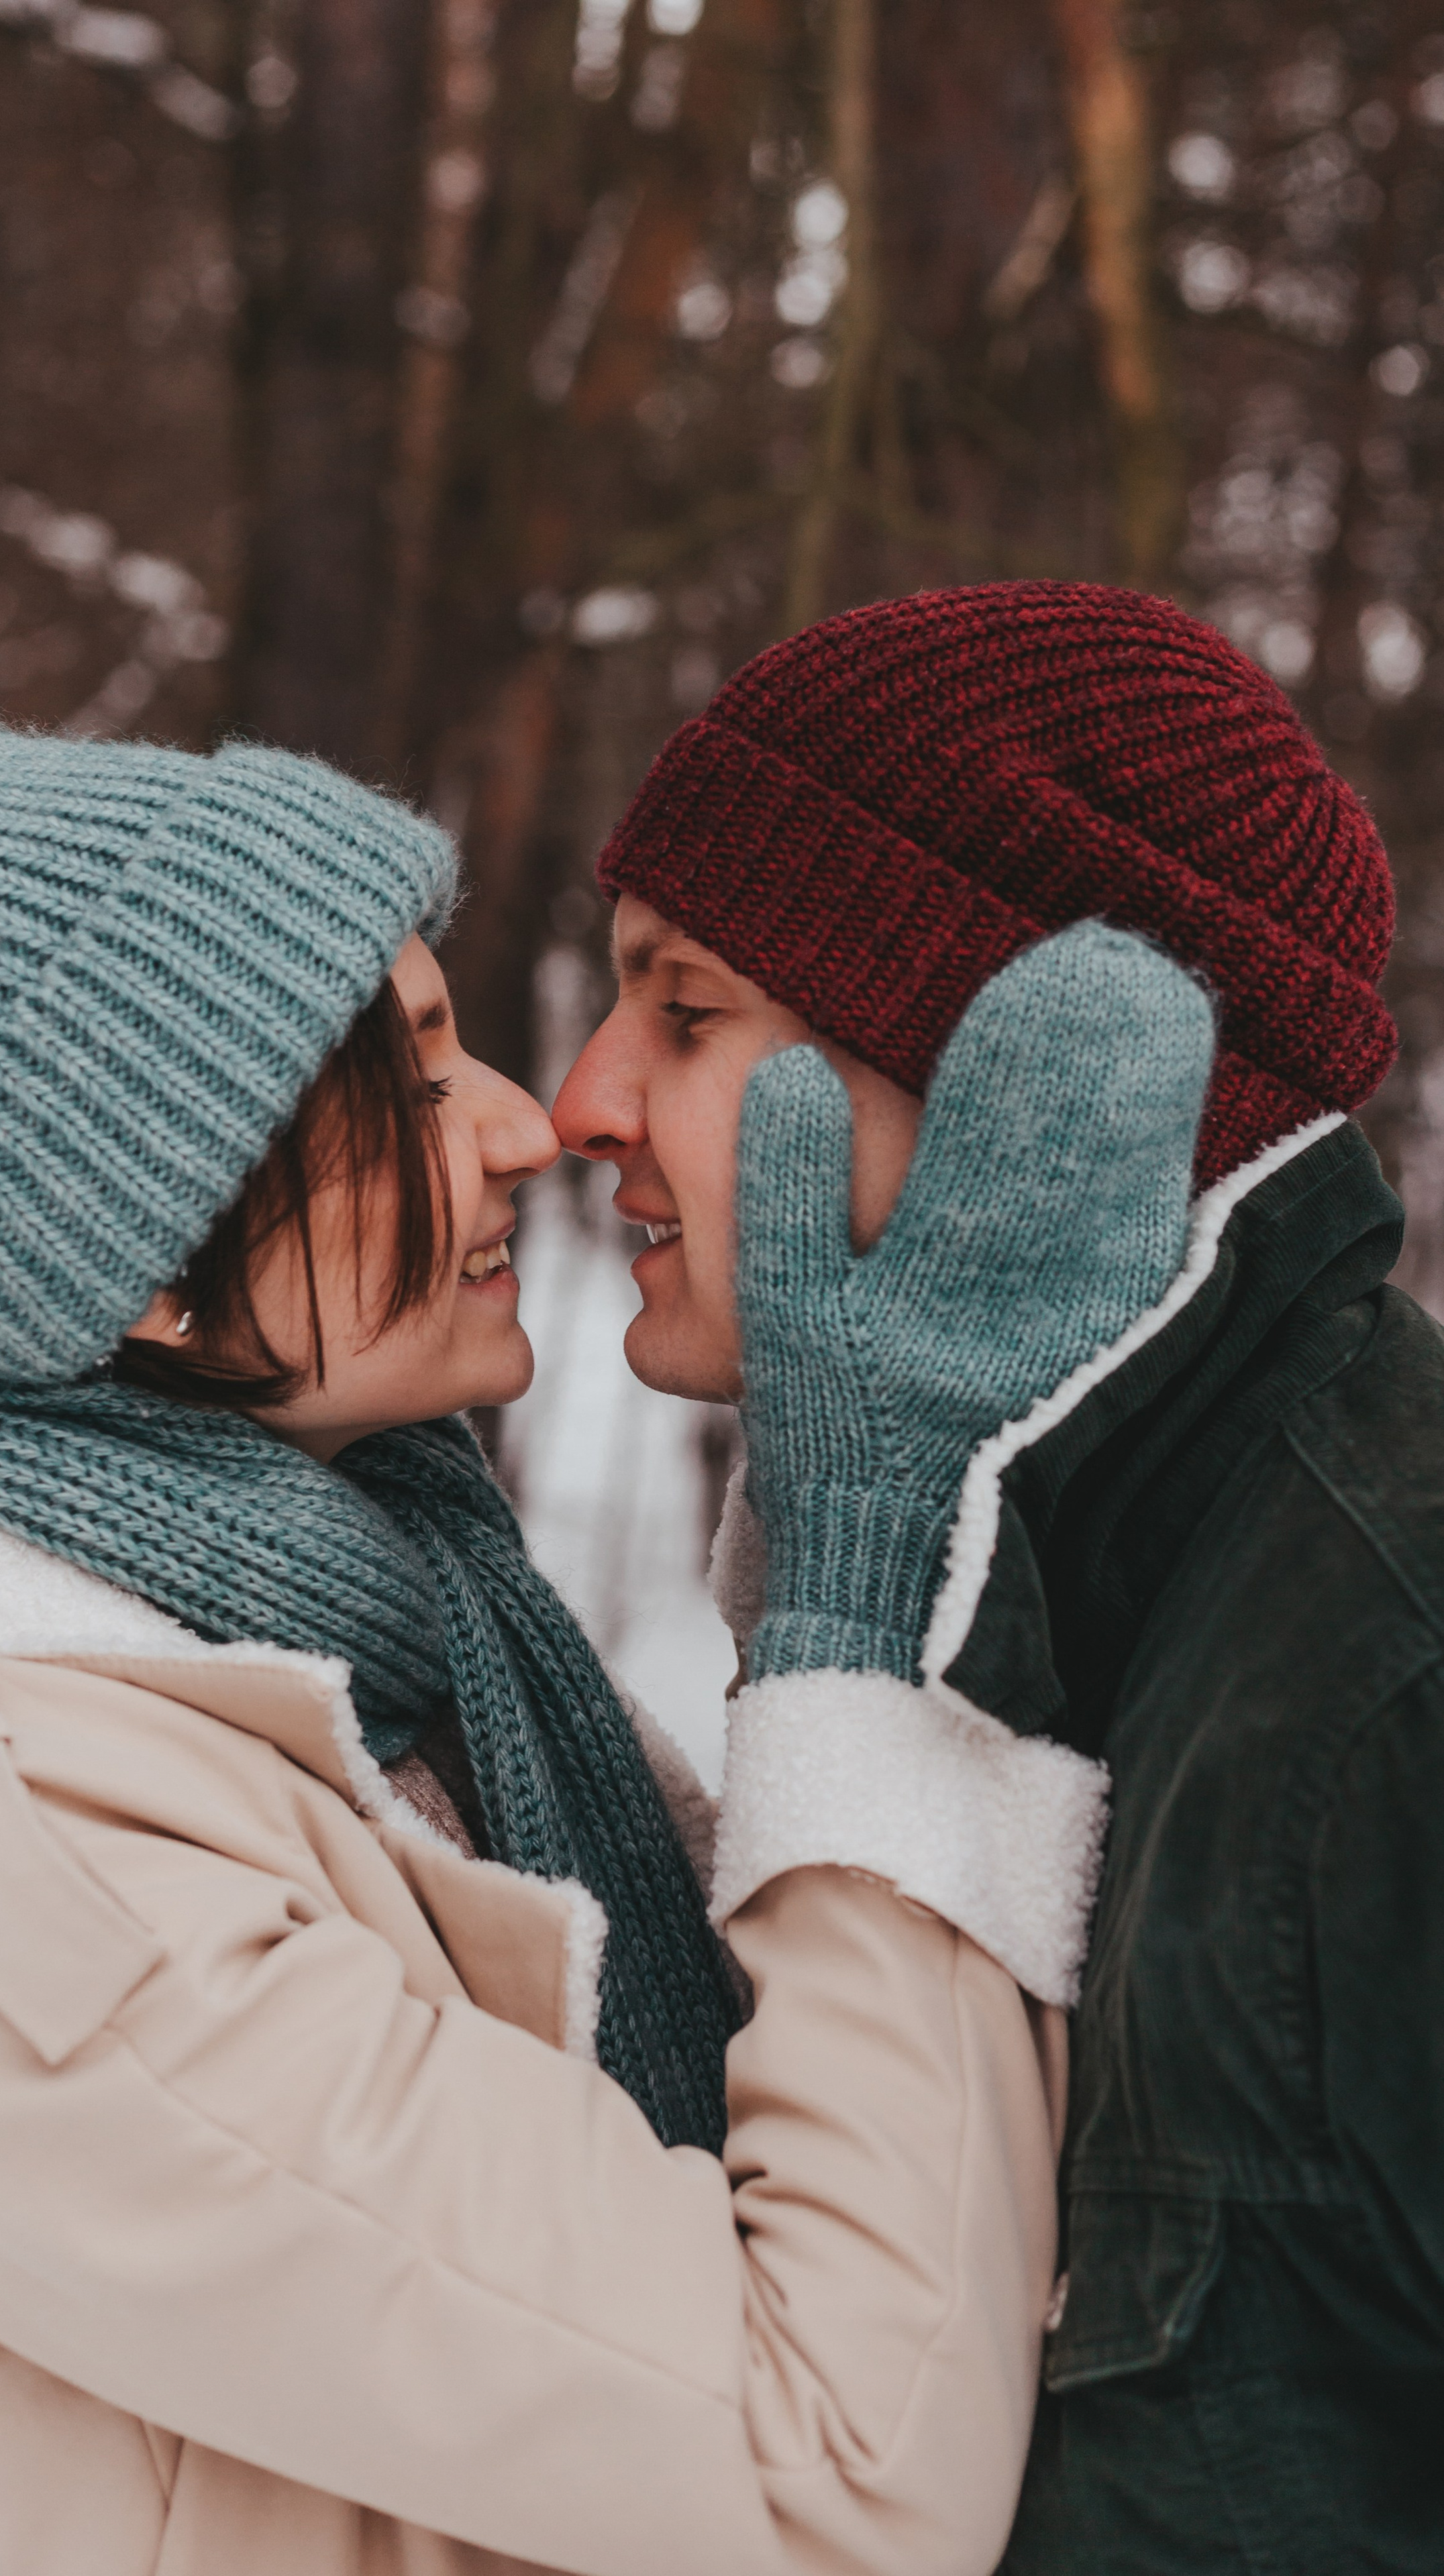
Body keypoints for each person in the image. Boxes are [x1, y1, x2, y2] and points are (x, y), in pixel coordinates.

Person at [0, 665, 1186, 2576]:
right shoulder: (6, 1869)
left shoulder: (366, 1620)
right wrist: (851, 1612)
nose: (517, 1126)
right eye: (403, 1084)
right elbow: (833, 2471)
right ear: (144, 1263)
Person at [554, 580, 1439, 2571]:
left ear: (1024, 1080)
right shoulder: (1053, 1610)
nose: (581, 1104)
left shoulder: (1384, 1682)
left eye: (685, 1010)